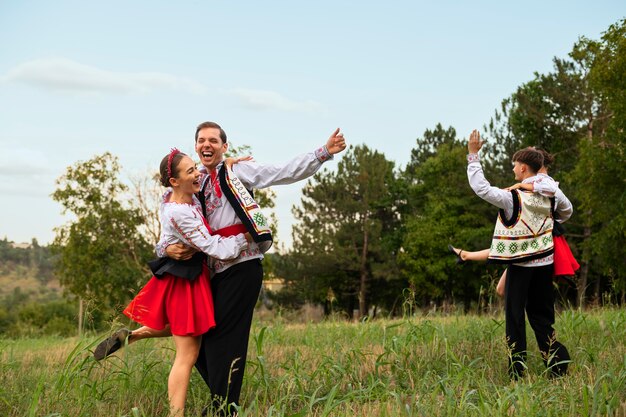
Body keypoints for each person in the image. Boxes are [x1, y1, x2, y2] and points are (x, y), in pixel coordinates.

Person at [160, 121, 347, 415]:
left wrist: (322, 153)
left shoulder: (237, 172)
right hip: (213, 272)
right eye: (201, 141)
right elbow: (174, 217)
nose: (206, 144)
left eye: (213, 140)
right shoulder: (197, 182)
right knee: (200, 343)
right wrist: (166, 248)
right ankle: (224, 402)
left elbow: (281, 172)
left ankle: (224, 409)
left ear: (224, 146)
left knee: (225, 342)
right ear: (196, 147)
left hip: (242, 266)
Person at [94, 149, 252, 417]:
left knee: (185, 329)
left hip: (189, 277)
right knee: (187, 354)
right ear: (174, 181)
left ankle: (132, 336)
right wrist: (248, 237)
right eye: (190, 171)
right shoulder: (180, 212)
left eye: (195, 168)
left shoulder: (178, 199)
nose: (197, 173)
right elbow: (215, 247)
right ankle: (175, 414)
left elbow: (166, 238)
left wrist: (227, 164)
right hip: (185, 281)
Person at [465, 130, 572, 379]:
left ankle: (517, 372)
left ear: (523, 168)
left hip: (521, 266)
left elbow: (481, 188)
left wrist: (473, 155)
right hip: (545, 263)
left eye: (515, 165)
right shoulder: (552, 196)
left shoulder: (513, 197)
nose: (513, 169)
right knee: (542, 318)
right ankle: (557, 365)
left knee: (515, 319)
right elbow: (567, 211)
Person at [449, 149, 579, 297]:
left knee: (507, 289)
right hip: (532, 245)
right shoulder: (534, 188)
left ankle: (467, 255)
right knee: (502, 286)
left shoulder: (546, 186)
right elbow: (567, 210)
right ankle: (466, 255)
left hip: (538, 248)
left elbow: (564, 205)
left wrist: (548, 222)